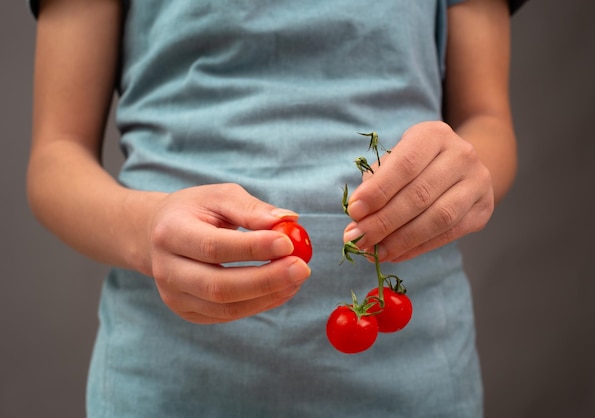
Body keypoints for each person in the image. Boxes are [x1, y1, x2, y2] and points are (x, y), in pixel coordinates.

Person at [27, 0, 525, 416]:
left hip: (415, 384)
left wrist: (468, 170)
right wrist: (146, 229)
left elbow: (487, 120)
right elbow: (55, 156)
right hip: (169, 383)